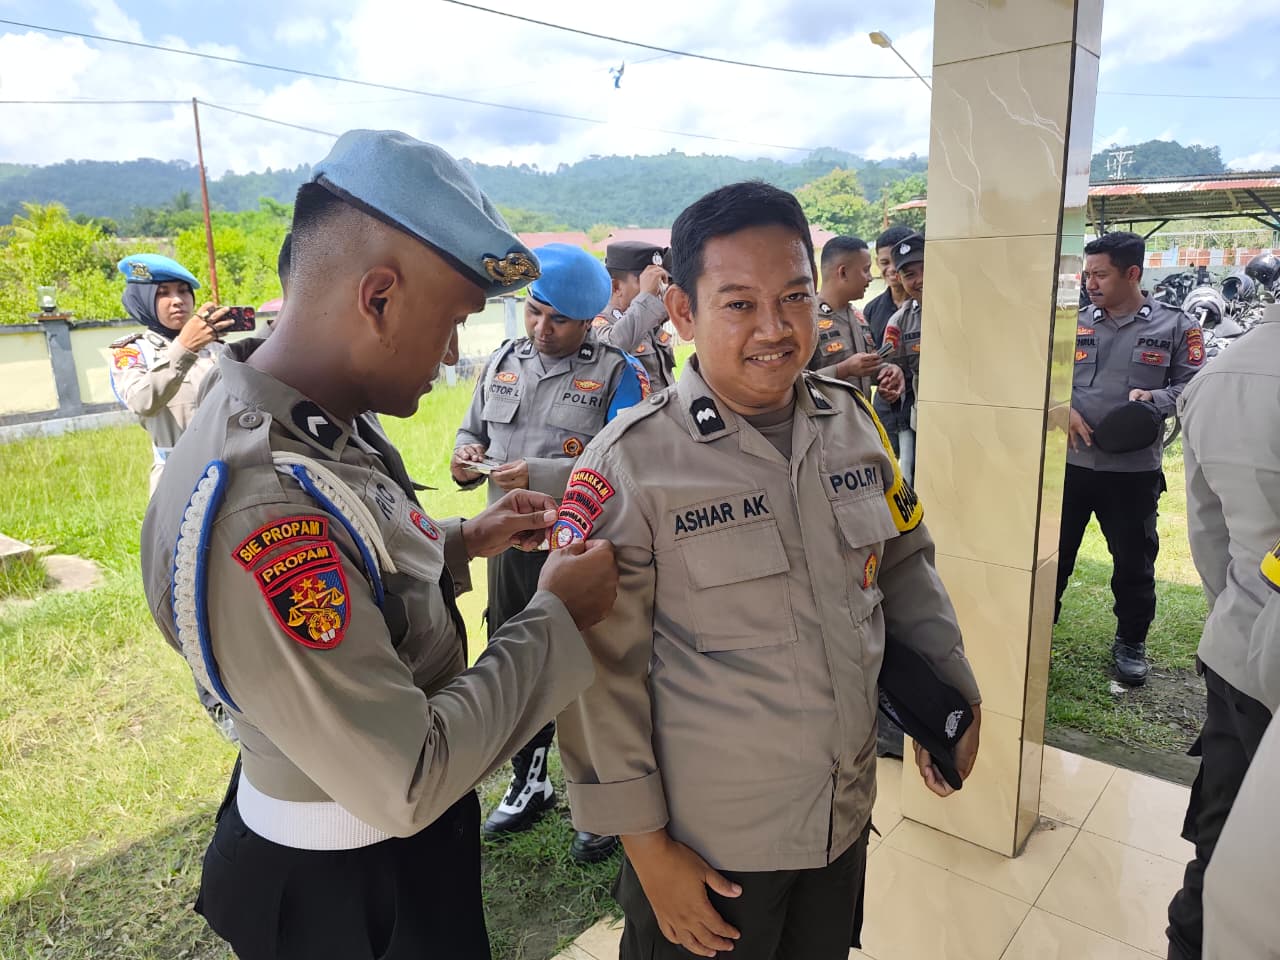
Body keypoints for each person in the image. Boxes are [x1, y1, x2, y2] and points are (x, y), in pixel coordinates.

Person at [139, 130, 620, 960]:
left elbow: (363, 557)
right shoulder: (265, 507)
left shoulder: (304, 418)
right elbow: (408, 776)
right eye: (453, 323)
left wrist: (464, 540)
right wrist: (556, 618)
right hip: (353, 886)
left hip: (374, 853)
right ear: (380, 299)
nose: (453, 356)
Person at [555, 181, 982, 960]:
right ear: (682, 312)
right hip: (711, 851)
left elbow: (905, 565)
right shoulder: (632, 465)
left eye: (794, 298)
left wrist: (950, 693)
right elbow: (597, 678)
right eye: (740, 304)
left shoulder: (851, 424)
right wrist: (647, 851)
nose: (775, 329)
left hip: (841, 817)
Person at [451, 242, 647, 864]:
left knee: (591, 664)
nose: (541, 328)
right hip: (510, 545)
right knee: (516, 654)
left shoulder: (617, 372)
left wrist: (537, 472)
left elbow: (630, 458)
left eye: (558, 319)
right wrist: (464, 458)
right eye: (535, 312)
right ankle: (529, 780)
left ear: (588, 319)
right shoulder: (503, 360)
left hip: (581, 543)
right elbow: (472, 430)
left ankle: (603, 798)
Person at [1165, 298, 1280, 960]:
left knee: (1221, 843)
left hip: (1237, 650)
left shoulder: (1220, 374)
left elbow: (1207, 531)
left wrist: (1234, 609)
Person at [1057, 231, 1205, 686]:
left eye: (1100, 275)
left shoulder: (1175, 326)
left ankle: (1131, 641)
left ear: (1133, 273)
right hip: (1070, 467)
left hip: (1132, 472)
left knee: (1133, 563)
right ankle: (1037, 627)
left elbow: (1196, 387)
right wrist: (1060, 408)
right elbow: (1043, 377)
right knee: (1053, 557)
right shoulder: (1071, 322)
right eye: (1087, 274)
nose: (1090, 283)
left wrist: (1155, 399)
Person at [109, 254, 232, 495]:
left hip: (229, 470)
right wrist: (184, 348)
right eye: (162, 293)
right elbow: (142, 401)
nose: (177, 300)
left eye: (183, 291)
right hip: (176, 476)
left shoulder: (216, 348)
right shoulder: (134, 351)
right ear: (142, 300)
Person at [806, 235, 903, 402]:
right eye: (866, 270)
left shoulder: (859, 317)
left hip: (861, 415)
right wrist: (843, 370)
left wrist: (887, 371)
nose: (870, 278)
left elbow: (864, 369)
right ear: (843, 272)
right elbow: (795, 383)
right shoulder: (807, 319)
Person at [593, 240, 678, 389]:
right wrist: (646, 297)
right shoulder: (600, 323)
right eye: (646, 282)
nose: (655, 288)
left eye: (658, 280)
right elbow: (613, 349)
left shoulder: (647, 320)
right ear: (616, 286)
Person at [863, 225, 916, 456]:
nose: (892, 269)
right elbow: (868, 359)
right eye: (885, 262)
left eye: (898, 262)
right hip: (885, 407)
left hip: (919, 403)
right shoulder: (871, 310)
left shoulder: (928, 306)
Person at [881, 232, 926, 484]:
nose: (920, 279)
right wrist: (891, 374)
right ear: (899, 279)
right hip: (925, 422)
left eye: (925, 269)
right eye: (910, 274)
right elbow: (888, 363)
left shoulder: (966, 310)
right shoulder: (900, 322)